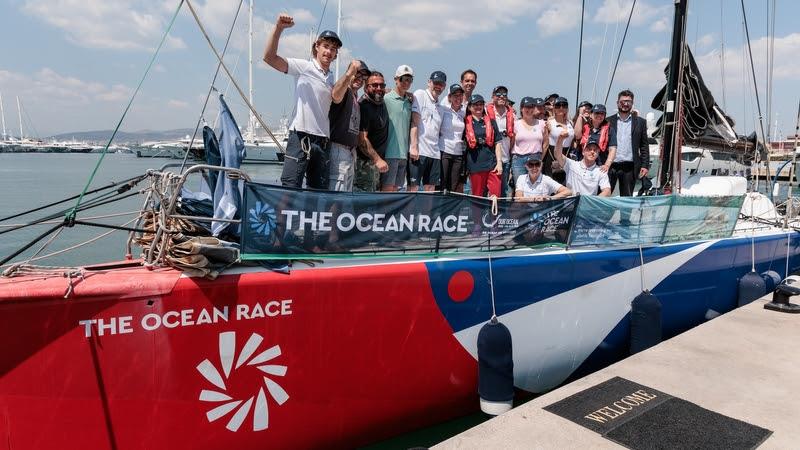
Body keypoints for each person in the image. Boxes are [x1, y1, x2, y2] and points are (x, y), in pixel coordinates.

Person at [263, 14, 355, 189]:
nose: (328, 51)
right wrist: (278, 28)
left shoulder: (331, 78)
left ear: (336, 55)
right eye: (325, 46)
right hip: (301, 136)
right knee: (290, 185)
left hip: (323, 141)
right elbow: (269, 58)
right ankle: (282, 218)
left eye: (333, 49)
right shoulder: (304, 67)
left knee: (318, 190)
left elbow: (337, 98)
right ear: (317, 48)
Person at [328, 62, 371, 191]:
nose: (360, 79)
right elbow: (335, 95)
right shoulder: (344, 90)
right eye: (357, 74)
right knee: (337, 193)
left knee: (345, 194)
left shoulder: (355, 96)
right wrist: (349, 74)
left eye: (363, 78)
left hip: (350, 152)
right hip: (338, 149)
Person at [606, 89, 650, 196]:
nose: (625, 104)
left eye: (628, 101)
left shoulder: (640, 122)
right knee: (604, 197)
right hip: (610, 166)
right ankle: (604, 214)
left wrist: (645, 165)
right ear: (617, 103)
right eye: (622, 101)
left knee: (627, 198)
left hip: (629, 167)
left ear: (632, 103)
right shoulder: (608, 121)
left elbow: (644, 145)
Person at [409, 71, 447, 191]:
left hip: (435, 154)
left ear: (444, 86)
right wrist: (414, 147)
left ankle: (426, 211)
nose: (438, 86)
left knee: (430, 189)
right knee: (413, 187)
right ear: (429, 82)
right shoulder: (420, 94)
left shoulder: (441, 108)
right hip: (419, 152)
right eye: (435, 83)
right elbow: (414, 122)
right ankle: (409, 211)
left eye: (441, 84)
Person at [381, 65, 415, 191]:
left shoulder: (410, 101)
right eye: (403, 79)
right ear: (396, 79)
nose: (407, 82)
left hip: (403, 155)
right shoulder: (386, 98)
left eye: (409, 80)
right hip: (389, 153)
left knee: (396, 191)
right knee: (387, 190)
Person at [355, 72, 390, 192]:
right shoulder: (364, 105)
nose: (379, 88)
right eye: (374, 85)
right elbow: (362, 139)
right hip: (365, 163)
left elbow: (386, 91)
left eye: (382, 85)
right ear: (366, 87)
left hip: (377, 166)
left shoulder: (380, 100)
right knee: (365, 203)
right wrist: (377, 160)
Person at [463, 94, 503, 197]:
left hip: (492, 165)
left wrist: (499, 163)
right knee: (478, 197)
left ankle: (493, 213)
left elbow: (498, 143)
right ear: (469, 107)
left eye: (480, 104)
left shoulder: (492, 121)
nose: (478, 107)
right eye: (475, 104)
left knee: (495, 195)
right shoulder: (465, 122)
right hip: (475, 165)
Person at [510, 97, 547, 182]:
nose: (529, 109)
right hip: (518, 160)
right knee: (520, 186)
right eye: (526, 107)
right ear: (521, 109)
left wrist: (540, 158)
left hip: (536, 159)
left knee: (535, 185)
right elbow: (511, 143)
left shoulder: (542, 124)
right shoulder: (515, 124)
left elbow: (546, 143)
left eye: (531, 107)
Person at [487, 86, 515, 197]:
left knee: (503, 192)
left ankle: (501, 214)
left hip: (505, 159)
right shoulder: (486, 112)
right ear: (493, 97)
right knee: (488, 192)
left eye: (504, 94)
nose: (501, 97)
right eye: (498, 94)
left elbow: (513, 137)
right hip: (489, 159)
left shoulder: (512, 115)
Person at [439, 84, 466, 192]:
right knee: (442, 185)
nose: (458, 98)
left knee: (453, 187)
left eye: (460, 95)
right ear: (449, 97)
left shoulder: (464, 112)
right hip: (444, 151)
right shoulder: (443, 109)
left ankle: (450, 209)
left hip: (458, 154)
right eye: (455, 95)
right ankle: (438, 209)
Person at [575, 103, 616, 172]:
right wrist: (580, 115)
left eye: (602, 113)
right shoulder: (584, 127)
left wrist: (607, 165)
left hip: (601, 167)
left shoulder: (610, 130)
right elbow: (577, 135)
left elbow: (613, 149)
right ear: (591, 114)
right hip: (584, 167)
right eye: (597, 113)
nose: (599, 115)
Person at [545, 97, 575, 184]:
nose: (561, 108)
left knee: (567, 182)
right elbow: (545, 142)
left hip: (567, 153)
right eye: (558, 106)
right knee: (551, 183)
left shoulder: (570, 123)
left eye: (564, 105)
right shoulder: (549, 122)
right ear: (554, 108)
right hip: (551, 154)